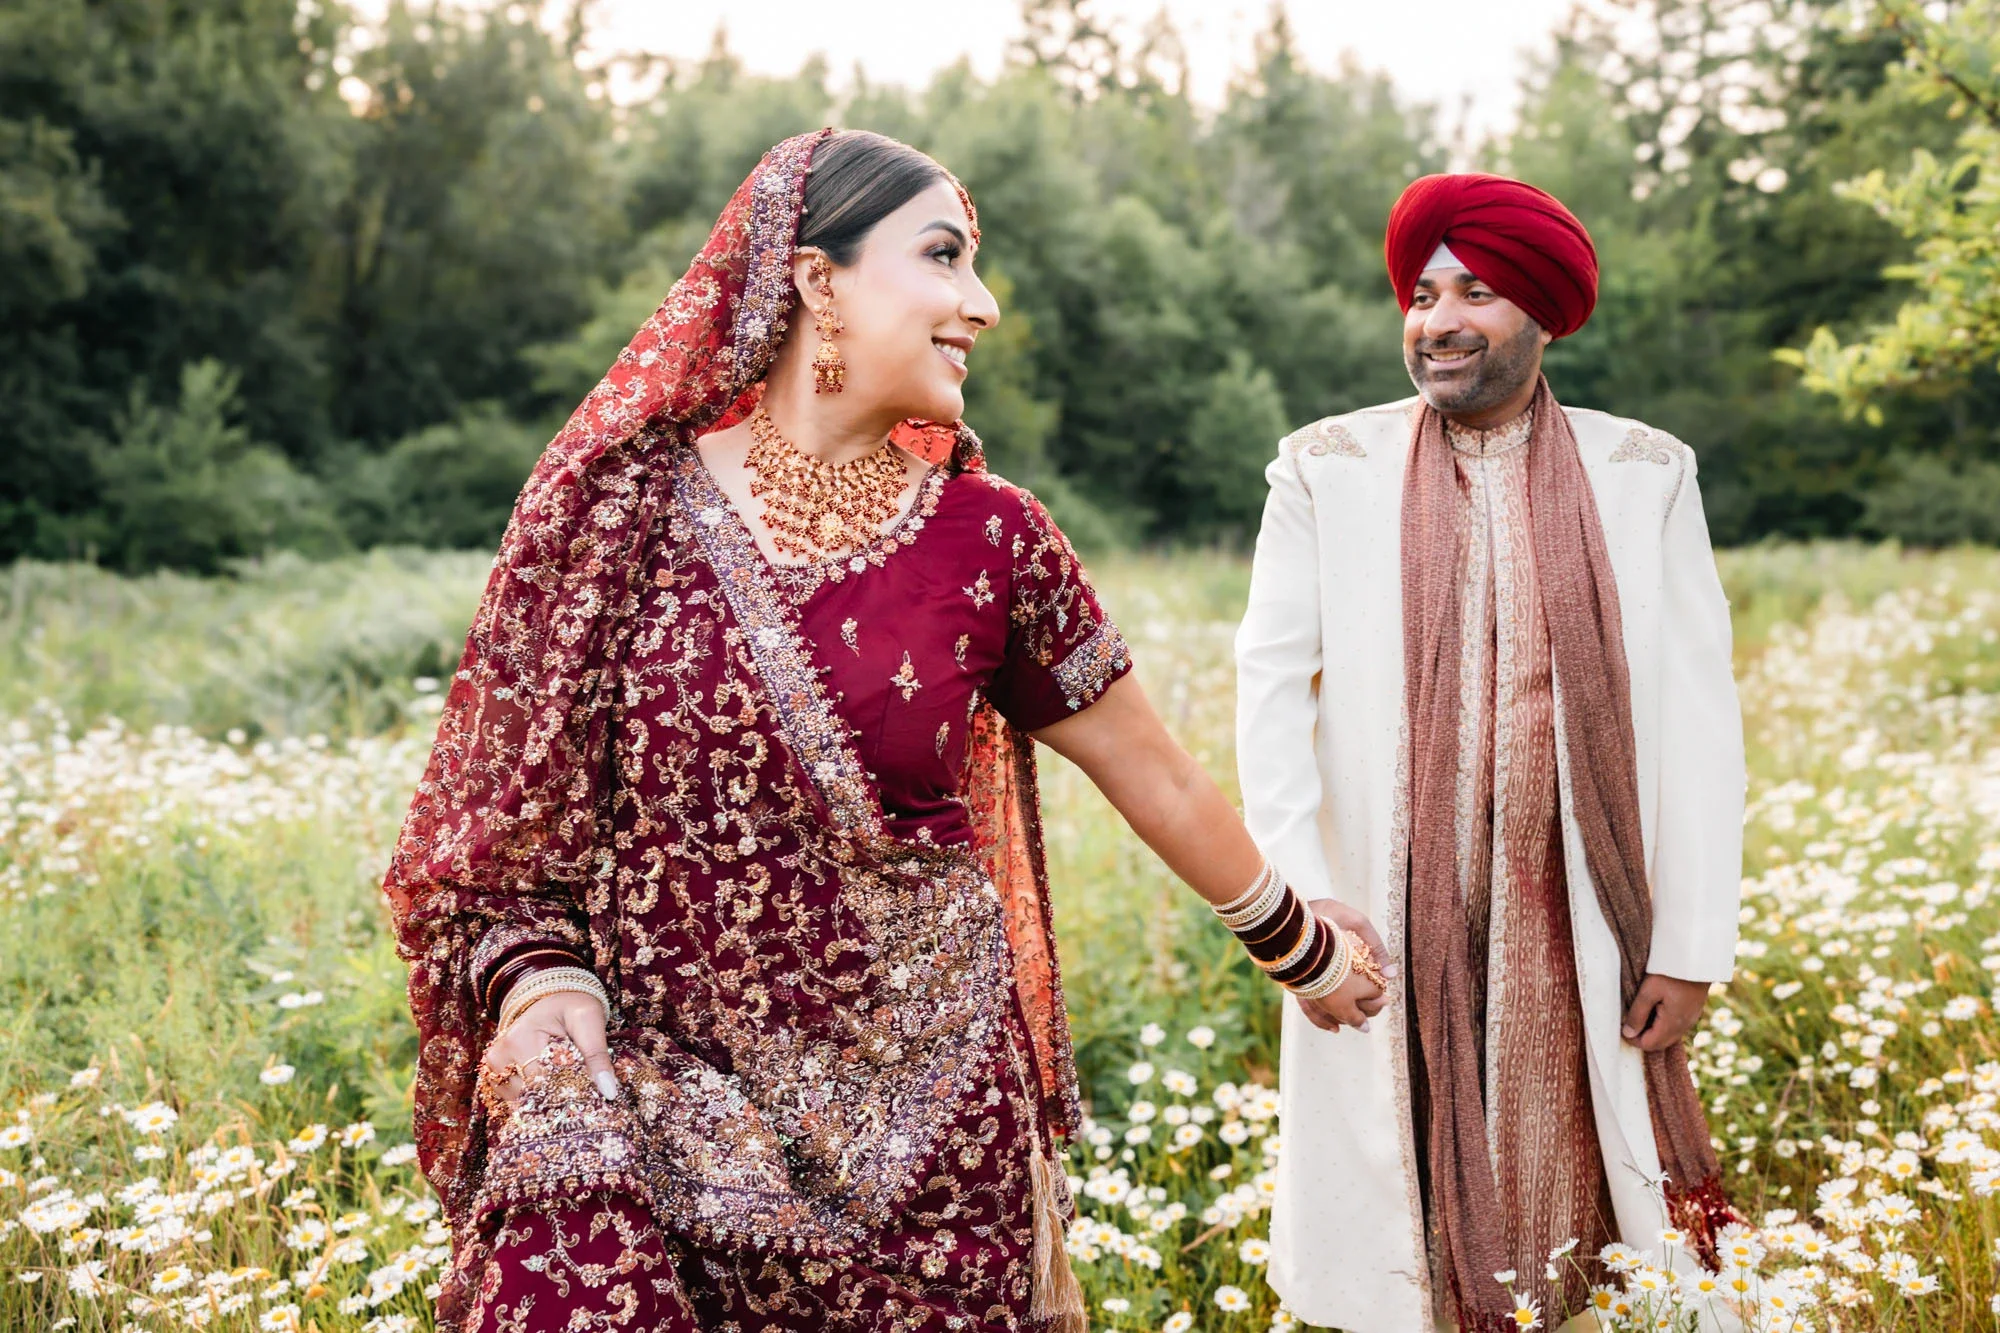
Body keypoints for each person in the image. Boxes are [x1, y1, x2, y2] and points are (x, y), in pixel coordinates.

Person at [384, 128, 1388, 1333]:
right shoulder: (616, 512)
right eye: (944, 258)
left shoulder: (992, 538)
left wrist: (1300, 946)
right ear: (816, 280)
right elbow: (498, 832)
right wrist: (541, 986)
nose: (982, 302)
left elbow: (1154, 775)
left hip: (932, 1141)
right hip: (659, 1114)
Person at [1234, 173, 1747, 1332]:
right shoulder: (1325, 467)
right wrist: (1303, 899)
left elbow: (1699, 718)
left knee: (1579, 1205)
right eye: (1422, 294)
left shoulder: (1644, 474)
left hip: (1578, 916)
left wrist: (1688, 944)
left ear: (1544, 313)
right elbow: (1268, 691)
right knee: (1394, 1216)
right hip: (1381, 903)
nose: (1438, 320)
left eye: (1477, 291)